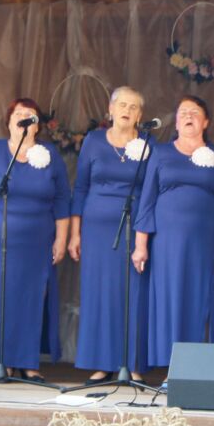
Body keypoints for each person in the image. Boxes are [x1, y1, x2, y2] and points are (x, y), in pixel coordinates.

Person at [0, 98, 71, 381]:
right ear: (9, 122)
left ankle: (29, 362)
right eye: (18, 114)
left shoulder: (49, 155)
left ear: (37, 125)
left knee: (31, 300)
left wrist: (61, 239)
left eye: (30, 114)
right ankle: (3, 361)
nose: (23, 118)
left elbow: (62, 200)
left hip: (37, 243)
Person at [132, 95, 214, 371]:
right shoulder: (161, 153)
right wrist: (140, 245)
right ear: (176, 122)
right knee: (168, 299)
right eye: (182, 113)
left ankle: (191, 367)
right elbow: (147, 201)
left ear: (206, 122)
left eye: (194, 112)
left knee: (196, 299)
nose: (188, 116)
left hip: (202, 242)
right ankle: (170, 367)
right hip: (165, 242)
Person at [69, 87, 151, 385]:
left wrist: (144, 235)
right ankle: (101, 364)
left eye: (133, 106)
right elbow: (80, 187)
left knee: (133, 294)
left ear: (140, 115)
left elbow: (151, 190)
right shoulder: (93, 141)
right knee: (99, 294)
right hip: (96, 230)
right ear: (111, 109)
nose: (127, 110)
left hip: (134, 228)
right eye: (122, 105)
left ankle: (133, 364)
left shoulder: (147, 144)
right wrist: (74, 233)